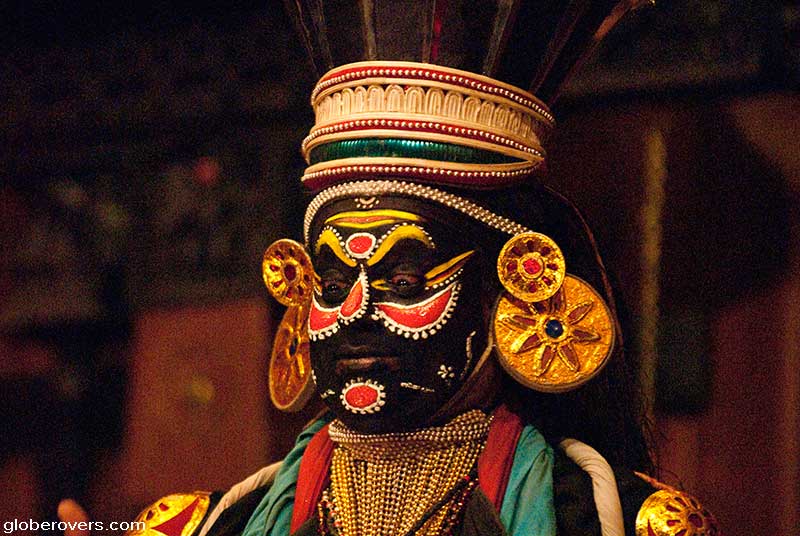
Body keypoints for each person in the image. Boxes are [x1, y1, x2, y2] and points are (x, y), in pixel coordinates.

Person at [64, 2, 721, 535]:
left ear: (515, 290)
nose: (354, 314)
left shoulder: (621, 523)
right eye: (328, 283)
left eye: (403, 281)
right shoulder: (199, 527)